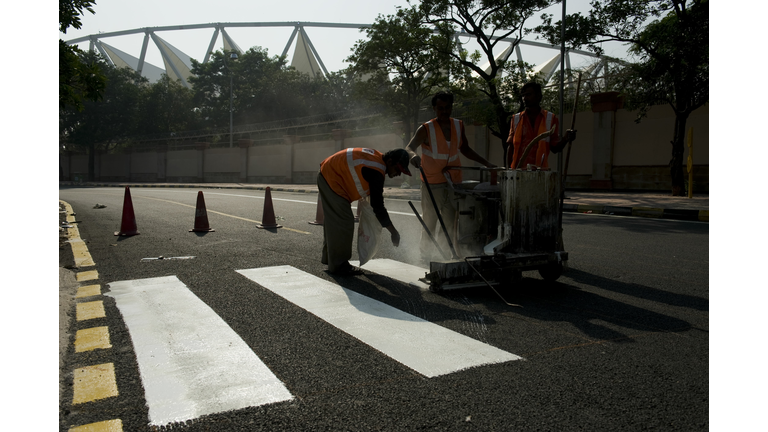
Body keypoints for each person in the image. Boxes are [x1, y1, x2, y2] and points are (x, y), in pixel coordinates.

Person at [406, 91, 496, 260]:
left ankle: (446, 255)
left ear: (451, 108)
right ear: (434, 109)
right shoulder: (426, 128)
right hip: (432, 182)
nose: (444, 111)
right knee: (430, 220)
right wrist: (413, 156)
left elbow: (466, 149)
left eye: (447, 108)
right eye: (440, 108)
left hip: (453, 182)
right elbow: (409, 147)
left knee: (450, 222)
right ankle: (424, 255)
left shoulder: (458, 125)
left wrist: (486, 163)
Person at [317, 147, 411, 275]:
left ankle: (331, 259)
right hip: (332, 178)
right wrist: (393, 232)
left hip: (328, 174)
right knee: (344, 222)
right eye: (398, 169)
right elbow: (378, 206)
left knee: (334, 222)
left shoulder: (377, 158)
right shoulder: (377, 171)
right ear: (389, 162)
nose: (398, 174)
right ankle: (339, 266)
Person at [506, 82, 577, 169]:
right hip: (518, 172)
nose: (524, 98)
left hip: (540, 173)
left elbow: (555, 148)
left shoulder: (551, 118)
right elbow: (511, 147)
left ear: (538, 96)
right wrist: (508, 171)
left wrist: (566, 139)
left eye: (528, 95)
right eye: (523, 95)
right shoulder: (516, 119)